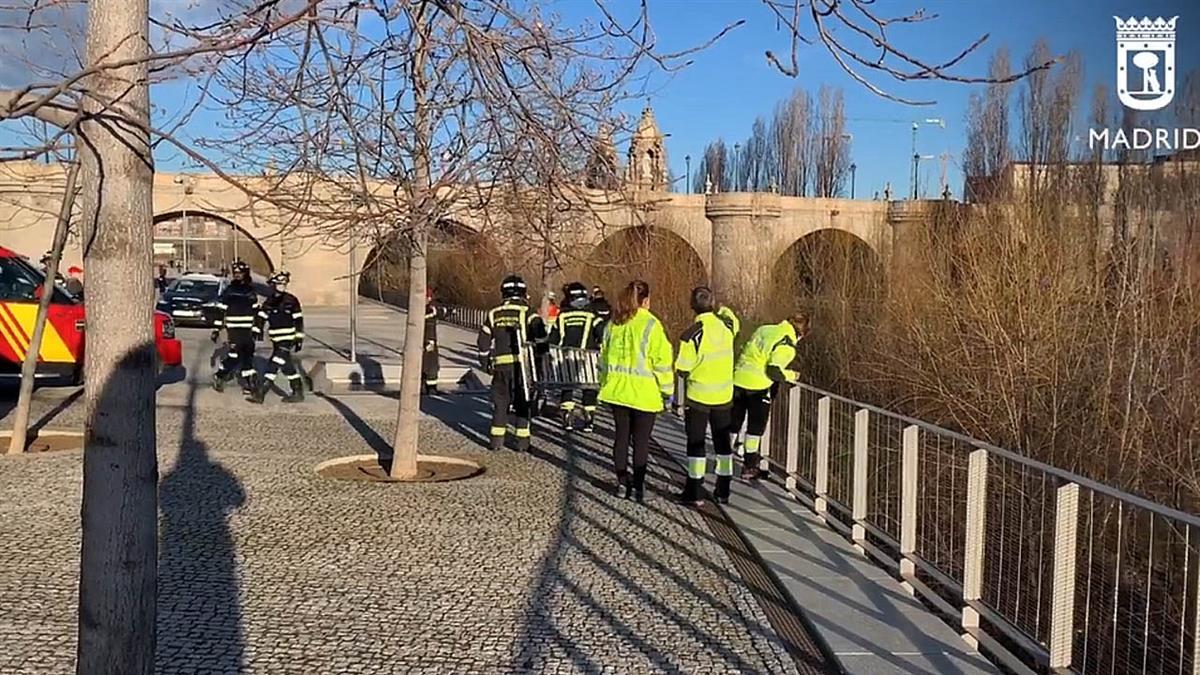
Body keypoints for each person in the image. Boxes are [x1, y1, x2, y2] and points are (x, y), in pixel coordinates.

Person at [597, 279, 673, 502]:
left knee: (621, 438)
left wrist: (605, 383)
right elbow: (662, 362)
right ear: (646, 300)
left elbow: (603, 359)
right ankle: (639, 488)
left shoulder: (614, 323)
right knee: (641, 442)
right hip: (644, 394)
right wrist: (667, 391)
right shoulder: (651, 325)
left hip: (616, 391)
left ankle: (622, 482)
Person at [674, 286, 737, 505]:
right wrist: (719, 307)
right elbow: (730, 315)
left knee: (696, 443)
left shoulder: (691, 334)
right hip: (724, 395)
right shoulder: (728, 326)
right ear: (712, 303)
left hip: (699, 396)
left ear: (692, 306)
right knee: (723, 444)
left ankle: (695, 489)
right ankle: (724, 488)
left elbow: (682, 368)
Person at [730, 312, 809, 480]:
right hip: (758, 386)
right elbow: (773, 370)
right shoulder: (787, 345)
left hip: (738, 378)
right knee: (755, 428)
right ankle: (750, 466)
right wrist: (792, 375)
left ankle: (721, 458)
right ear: (801, 334)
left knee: (734, 422)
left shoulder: (764, 329)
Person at [477, 274, 546, 451]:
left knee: (500, 404)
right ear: (523, 293)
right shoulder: (527, 312)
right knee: (523, 404)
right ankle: (522, 443)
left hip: (500, 367)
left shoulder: (494, 313)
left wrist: (484, 362)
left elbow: (483, 340)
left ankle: (495, 441)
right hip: (522, 368)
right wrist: (541, 357)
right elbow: (540, 335)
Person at [547, 281, 604, 432]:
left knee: (567, 385)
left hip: (567, 362)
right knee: (590, 387)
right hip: (588, 363)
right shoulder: (592, 316)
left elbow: (552, 340)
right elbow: (603, 335)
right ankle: (589, 418)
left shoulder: (562, 317)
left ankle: (567, 416)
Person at [248, 271, 305, 404]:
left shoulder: (291, 300)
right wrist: (257, 329)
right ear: (273, 284)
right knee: (287, 366)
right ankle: (298, 391)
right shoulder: (269, 301)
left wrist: (299, 337)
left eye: (284, 283)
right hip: (276, 340)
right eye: (279, 283)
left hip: (287, 339)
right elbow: (261, 317)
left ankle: (262, 392)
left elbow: (298, 319)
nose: (282, 286)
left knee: (273, 364)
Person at [210, 261, 260, 395]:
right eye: (235, 273)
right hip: (234, 328)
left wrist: (257, 328)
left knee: (248, 355)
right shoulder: (229, 290)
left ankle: (249, 384)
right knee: (235, 355)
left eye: (240, 273)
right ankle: (220, 375)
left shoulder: (251, 290)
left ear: (245, 274)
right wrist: (216, 329)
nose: (238, 275)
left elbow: (256, 310)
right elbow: (221, 310)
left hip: (247, 329)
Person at [422, 287, 453, 395]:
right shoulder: (430, 309)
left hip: (427, 339)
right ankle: (430, 387)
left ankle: (427, 385)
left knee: (428, 362)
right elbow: (439, 312)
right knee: (430, 362)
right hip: (429, 339)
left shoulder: (425, 308)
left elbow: (441, 312)